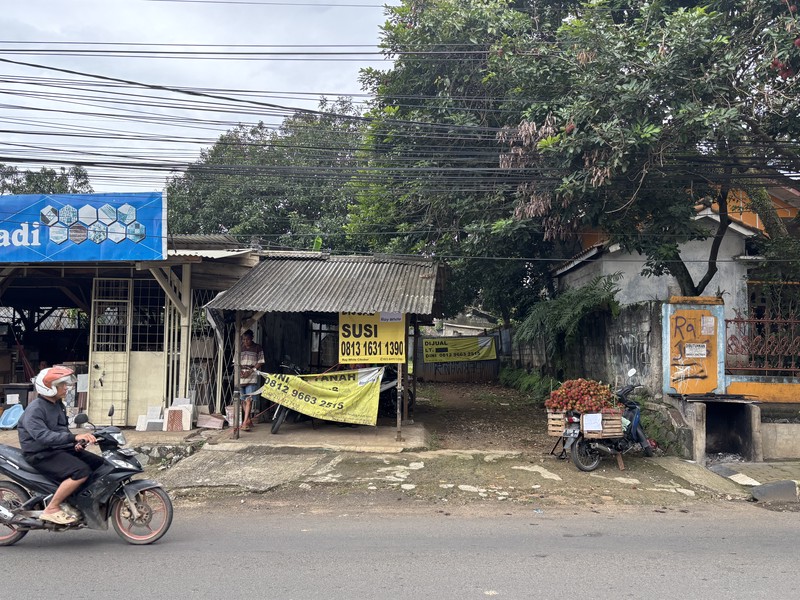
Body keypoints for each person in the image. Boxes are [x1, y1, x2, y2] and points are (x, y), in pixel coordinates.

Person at [17, 366, 102, 525]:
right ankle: (52, 508)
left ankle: (77, 501)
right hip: (40, 454)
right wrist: (74, 437)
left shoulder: (57, 404)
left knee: (99, 464)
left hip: (56, 449)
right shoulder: (35, 409)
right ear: (49, 388)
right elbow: (43, 437)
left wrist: (74, 443)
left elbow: (60, 430)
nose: (66, 387)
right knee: (81, 471)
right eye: (61, 384)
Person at [239, 329, 264, 431]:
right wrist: (240, 371)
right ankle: (248, 419)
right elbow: (236, 361)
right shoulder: (240, 348)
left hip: (252, 375)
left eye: (248, 339)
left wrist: (251, 371)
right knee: (242, 400)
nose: (246, 341)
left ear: (252, 338)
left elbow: (261, 361)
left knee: (248, 399)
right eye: (244, 339)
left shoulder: (257, 348)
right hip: (241, 376)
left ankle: (245, 422)